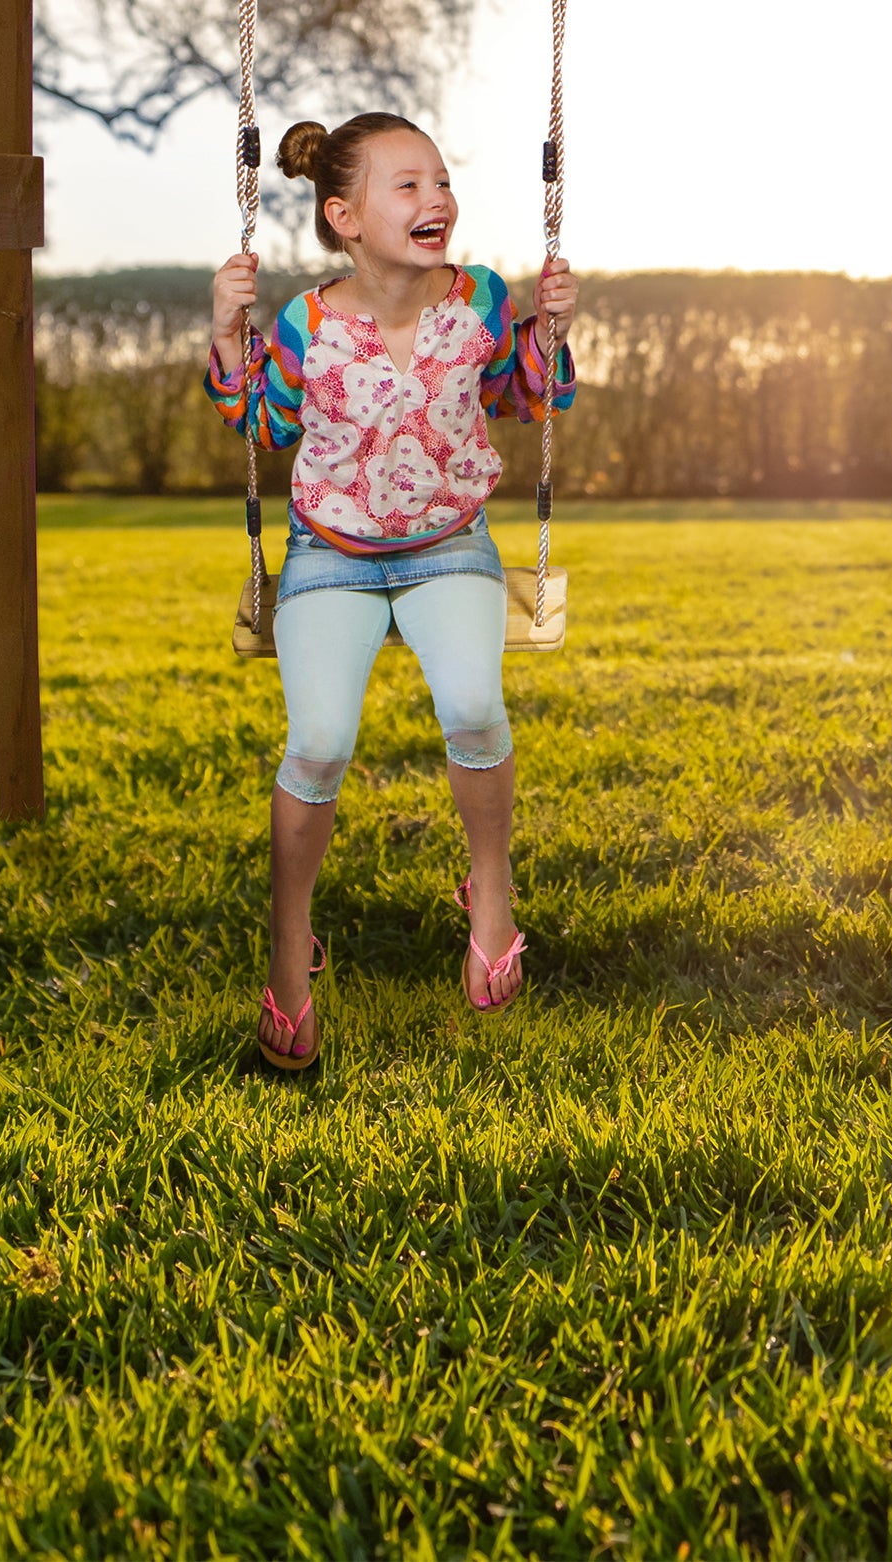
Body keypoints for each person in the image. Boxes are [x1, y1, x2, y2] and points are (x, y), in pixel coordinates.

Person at [206, 113, 577, 1070]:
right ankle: (292, 942)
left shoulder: (482, 300)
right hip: (330, 553)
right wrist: (224, 328)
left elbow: (525, 395)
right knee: (320, 742)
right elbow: (258, 420)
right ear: (345, 217)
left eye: (442, 182)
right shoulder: (304, 325)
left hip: (451, 544)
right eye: (406, 186)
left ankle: (488, 888)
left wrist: (551, 332)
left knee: (475, 707)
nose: (436, 200)